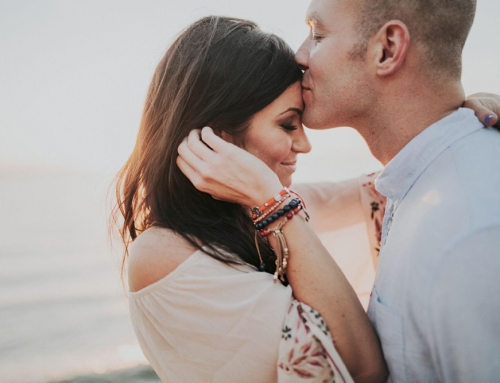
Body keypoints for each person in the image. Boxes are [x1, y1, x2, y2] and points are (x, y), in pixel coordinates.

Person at [177, 1, 500, 382]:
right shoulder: (411, 186)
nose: (299, 55)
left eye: (318, 34)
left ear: (388, 49)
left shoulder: (470, 232)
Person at [113, 16, 390, 383]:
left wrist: (464, 113)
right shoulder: (164, 255)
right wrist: (277, 207)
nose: (304, 144)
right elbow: (360, 367)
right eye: (289, 125)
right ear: (220, 138)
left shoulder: (271, 208)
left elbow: (393, 187)